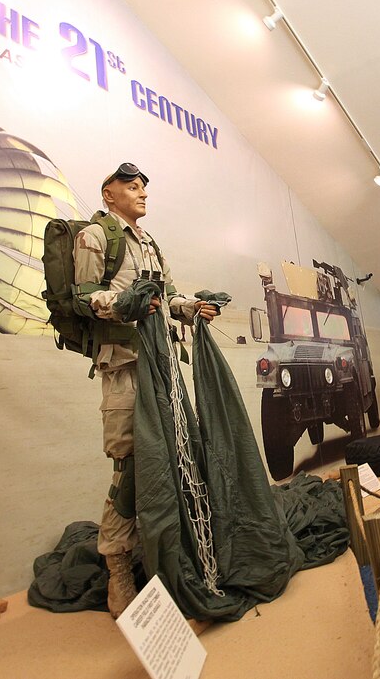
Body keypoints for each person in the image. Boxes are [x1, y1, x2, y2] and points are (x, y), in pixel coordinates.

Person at [72, 162, 219, 617]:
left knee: (175, 457)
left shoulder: (151, 244)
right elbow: (85, 296)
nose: (142, 194)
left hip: (161, 366)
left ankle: (165, 558)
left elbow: (167, 295)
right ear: (108, 193)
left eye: (144, 188)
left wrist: (193, 306)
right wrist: (122, 303)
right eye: (131, 187)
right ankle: (118, 571)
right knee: (131, 467)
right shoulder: (95, 238)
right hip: (124, 365)